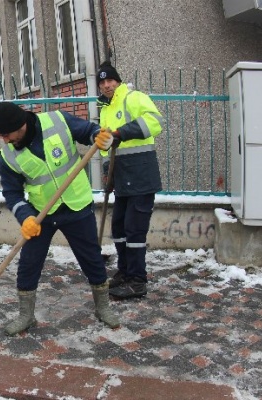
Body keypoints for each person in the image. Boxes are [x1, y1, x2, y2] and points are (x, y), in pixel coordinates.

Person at [0, 101, 119, 336]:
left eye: (7, 134)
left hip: (76, 206)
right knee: (28, 264)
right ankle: (26, 315)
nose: (5, 140)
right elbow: (12, 192)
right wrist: (25, 216)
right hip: (41, 215)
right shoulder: (7, 155)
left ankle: (103, 307)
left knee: (92, 258)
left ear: (20, 125)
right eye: (1, 136)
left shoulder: (58, 121)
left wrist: (99, 138)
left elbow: (88, 131)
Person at [96, 61, 163, 299]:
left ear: (118, 81)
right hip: (122, 176)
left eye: (110, 80)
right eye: (102, 82)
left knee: (135, 230)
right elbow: (106, 147)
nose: (106, 85)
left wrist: (121, 133)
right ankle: (124, 272)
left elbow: (155, 122)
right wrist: (108, 172)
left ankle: (138, 280)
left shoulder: (133, 98)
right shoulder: (104, 109)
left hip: (141, 174)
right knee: (119, 228)